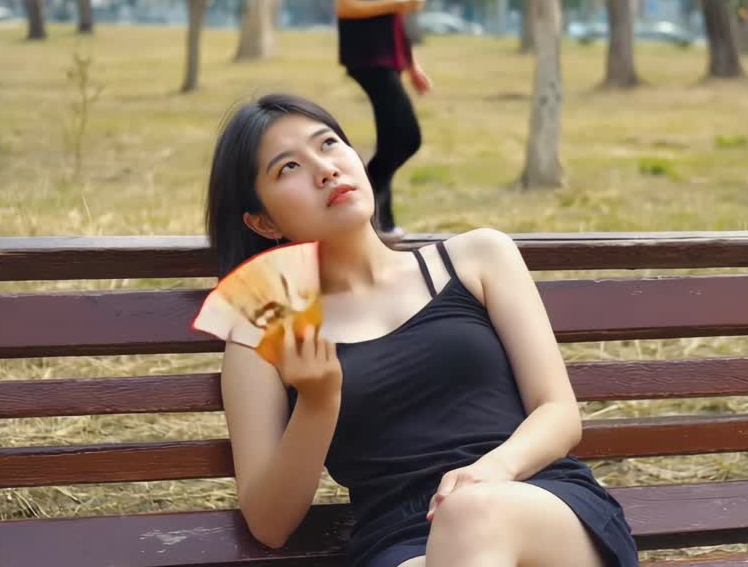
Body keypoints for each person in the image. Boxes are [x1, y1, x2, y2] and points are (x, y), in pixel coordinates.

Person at [205, 93, 639, 567]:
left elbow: (558, 412)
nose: (324, 169)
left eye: (328, 144)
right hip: (400, 545)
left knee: (473, 513)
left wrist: (491, 471)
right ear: (262, 221)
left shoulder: (478, 257)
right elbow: (270, 524)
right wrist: (318, 403)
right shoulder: (261, 335)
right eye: (288, 167)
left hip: (538, 503)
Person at [334, 0, 432, 244]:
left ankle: (380, 220)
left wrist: (411, 65)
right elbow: (344, 4)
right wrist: (398, 1)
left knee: (395, 137)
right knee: (407, 136)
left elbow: (396, 18)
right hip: (367, 57)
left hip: (388, 57)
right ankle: (366, 202)